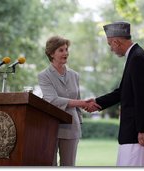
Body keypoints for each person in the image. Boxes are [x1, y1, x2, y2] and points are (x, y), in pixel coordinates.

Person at [86, 21, 144, 166]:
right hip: (136, 132)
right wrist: (97, 102)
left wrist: (142, 130)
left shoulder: (137, 58)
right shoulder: (135, 56)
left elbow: (142, 97)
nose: (111, 49)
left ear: (116, 42)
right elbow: (123, 92)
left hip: (139, 135)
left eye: (110, 44)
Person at [38, 36, 100, 166]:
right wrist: (82, 103)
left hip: (72, 127)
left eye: (66, 49)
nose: (66, 53)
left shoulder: (75, 75)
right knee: (50, 165)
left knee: (69, 165)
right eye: (61, 50)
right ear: (51, 53)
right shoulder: (44, 76)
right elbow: (52, 100)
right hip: (51, 127)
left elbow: (76, 100)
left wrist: (80, 122)